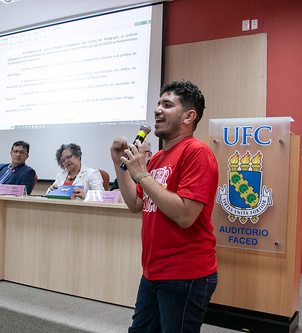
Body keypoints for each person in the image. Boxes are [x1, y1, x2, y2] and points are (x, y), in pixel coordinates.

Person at [110, 80, 219, 332]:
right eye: (158, 104)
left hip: (185, 274)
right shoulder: (158, 157)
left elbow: (185, 215)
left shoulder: (197, 152)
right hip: (153, 271)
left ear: (189, 116)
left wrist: (142, 175)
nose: (157, 110)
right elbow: (136, 204)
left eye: (167, 105)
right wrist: (119, 164)